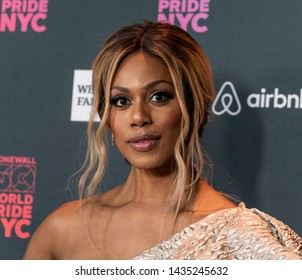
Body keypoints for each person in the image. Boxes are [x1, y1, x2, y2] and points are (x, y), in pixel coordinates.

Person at [23, 20, 302, 260]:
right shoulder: (62, 230)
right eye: (121, 100)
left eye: (159, 96)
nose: (138, 116)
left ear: (193, 107)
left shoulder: (242, 239)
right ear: (106, 116)